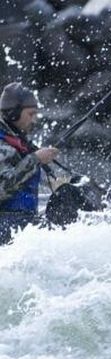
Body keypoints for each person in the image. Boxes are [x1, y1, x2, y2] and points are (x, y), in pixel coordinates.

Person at [0, 82, 59, 245]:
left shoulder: (16, 139)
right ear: (13, 114)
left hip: (21, 223)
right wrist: (36, 159)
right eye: (30, 114)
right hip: (7, 226)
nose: (34, 120)